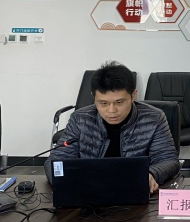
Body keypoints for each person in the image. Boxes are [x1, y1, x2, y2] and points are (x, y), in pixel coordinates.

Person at [45, 61, 180, 193]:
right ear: (94, 98)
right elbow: (56, 161)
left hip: (134, 190)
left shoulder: (154, 118)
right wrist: (66, 183)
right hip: (90, 191)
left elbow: (168, 160)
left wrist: (151, 173)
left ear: (133, 95)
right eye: (103, 103)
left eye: (119, 102)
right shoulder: (80, 119)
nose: (111, 110)